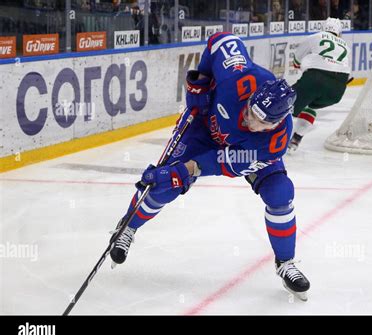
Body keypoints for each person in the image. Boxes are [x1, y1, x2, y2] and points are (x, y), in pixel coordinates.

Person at [109, 32, 311, 300]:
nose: (250, 121)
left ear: (277, 123)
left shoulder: (274, 142)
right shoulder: (238, 76)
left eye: (261, 123)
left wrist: (183, 171)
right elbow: (222, 41)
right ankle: (128, 227)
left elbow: (219, 162)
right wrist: (200, 84)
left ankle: (285, 263)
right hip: (202, 129)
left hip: (235, 154)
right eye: (251, 111)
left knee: (279, 192)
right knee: (163, 187)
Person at [289, 18, 351, 151]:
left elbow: (296, 61)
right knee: (311, 105)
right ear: (338, 32)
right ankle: (296, 139)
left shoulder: (315, 37)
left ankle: (271, 138)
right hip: (337, 91)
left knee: (285, 105)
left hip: (315, 78)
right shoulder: (345, 45)